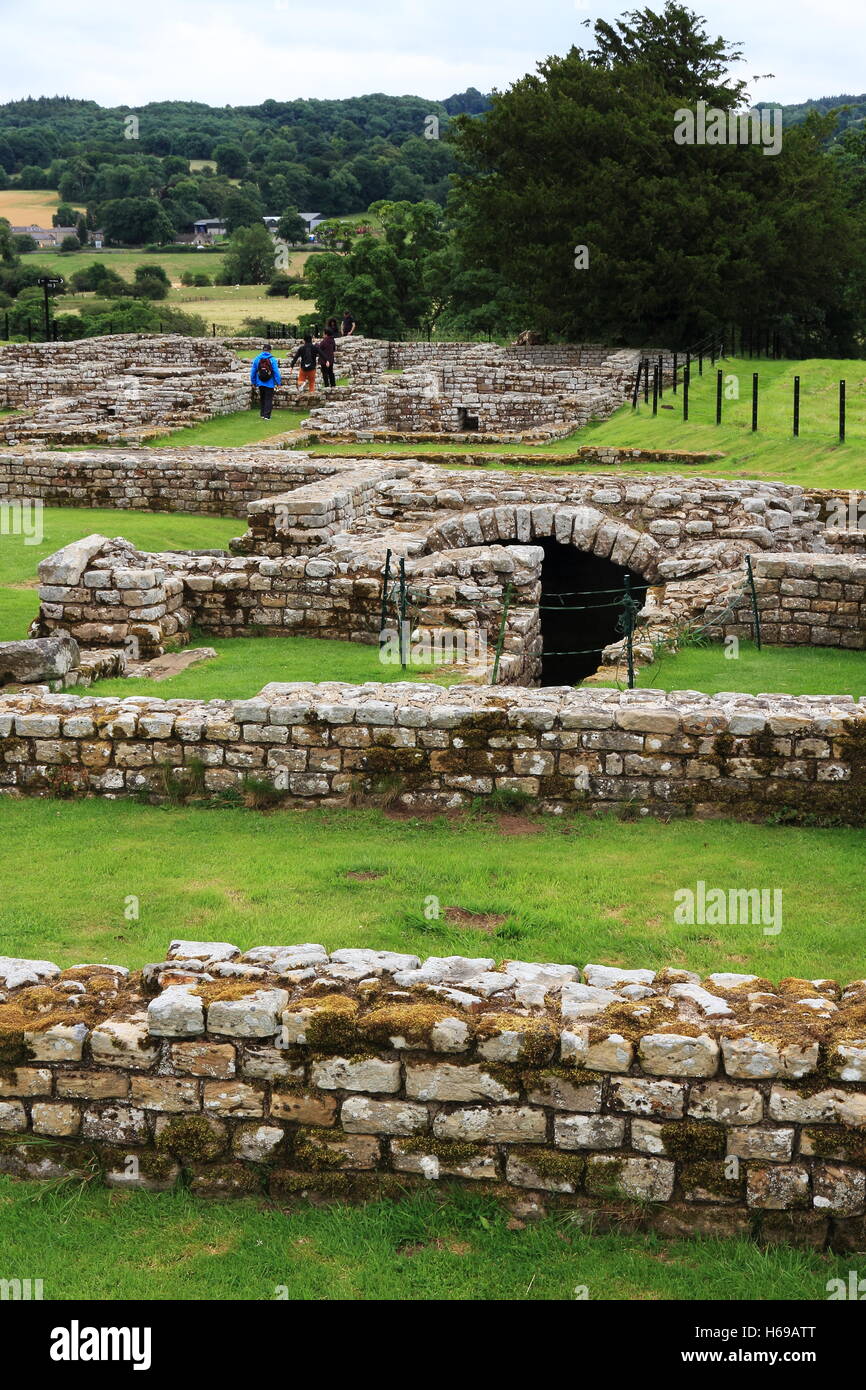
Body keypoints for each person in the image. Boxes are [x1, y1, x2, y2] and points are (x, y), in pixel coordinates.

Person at [249, 342, 281, 419]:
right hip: (269, 382)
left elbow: (253, 371)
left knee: (262, 398)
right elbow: (276, 372)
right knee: (268, 399)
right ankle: (267, 416)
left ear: (262, 350)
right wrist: (278, 382)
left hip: (260, 381)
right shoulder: (272, 359)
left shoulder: (257, 358)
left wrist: (253, 382)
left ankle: (262, 414)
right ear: (270, 351)